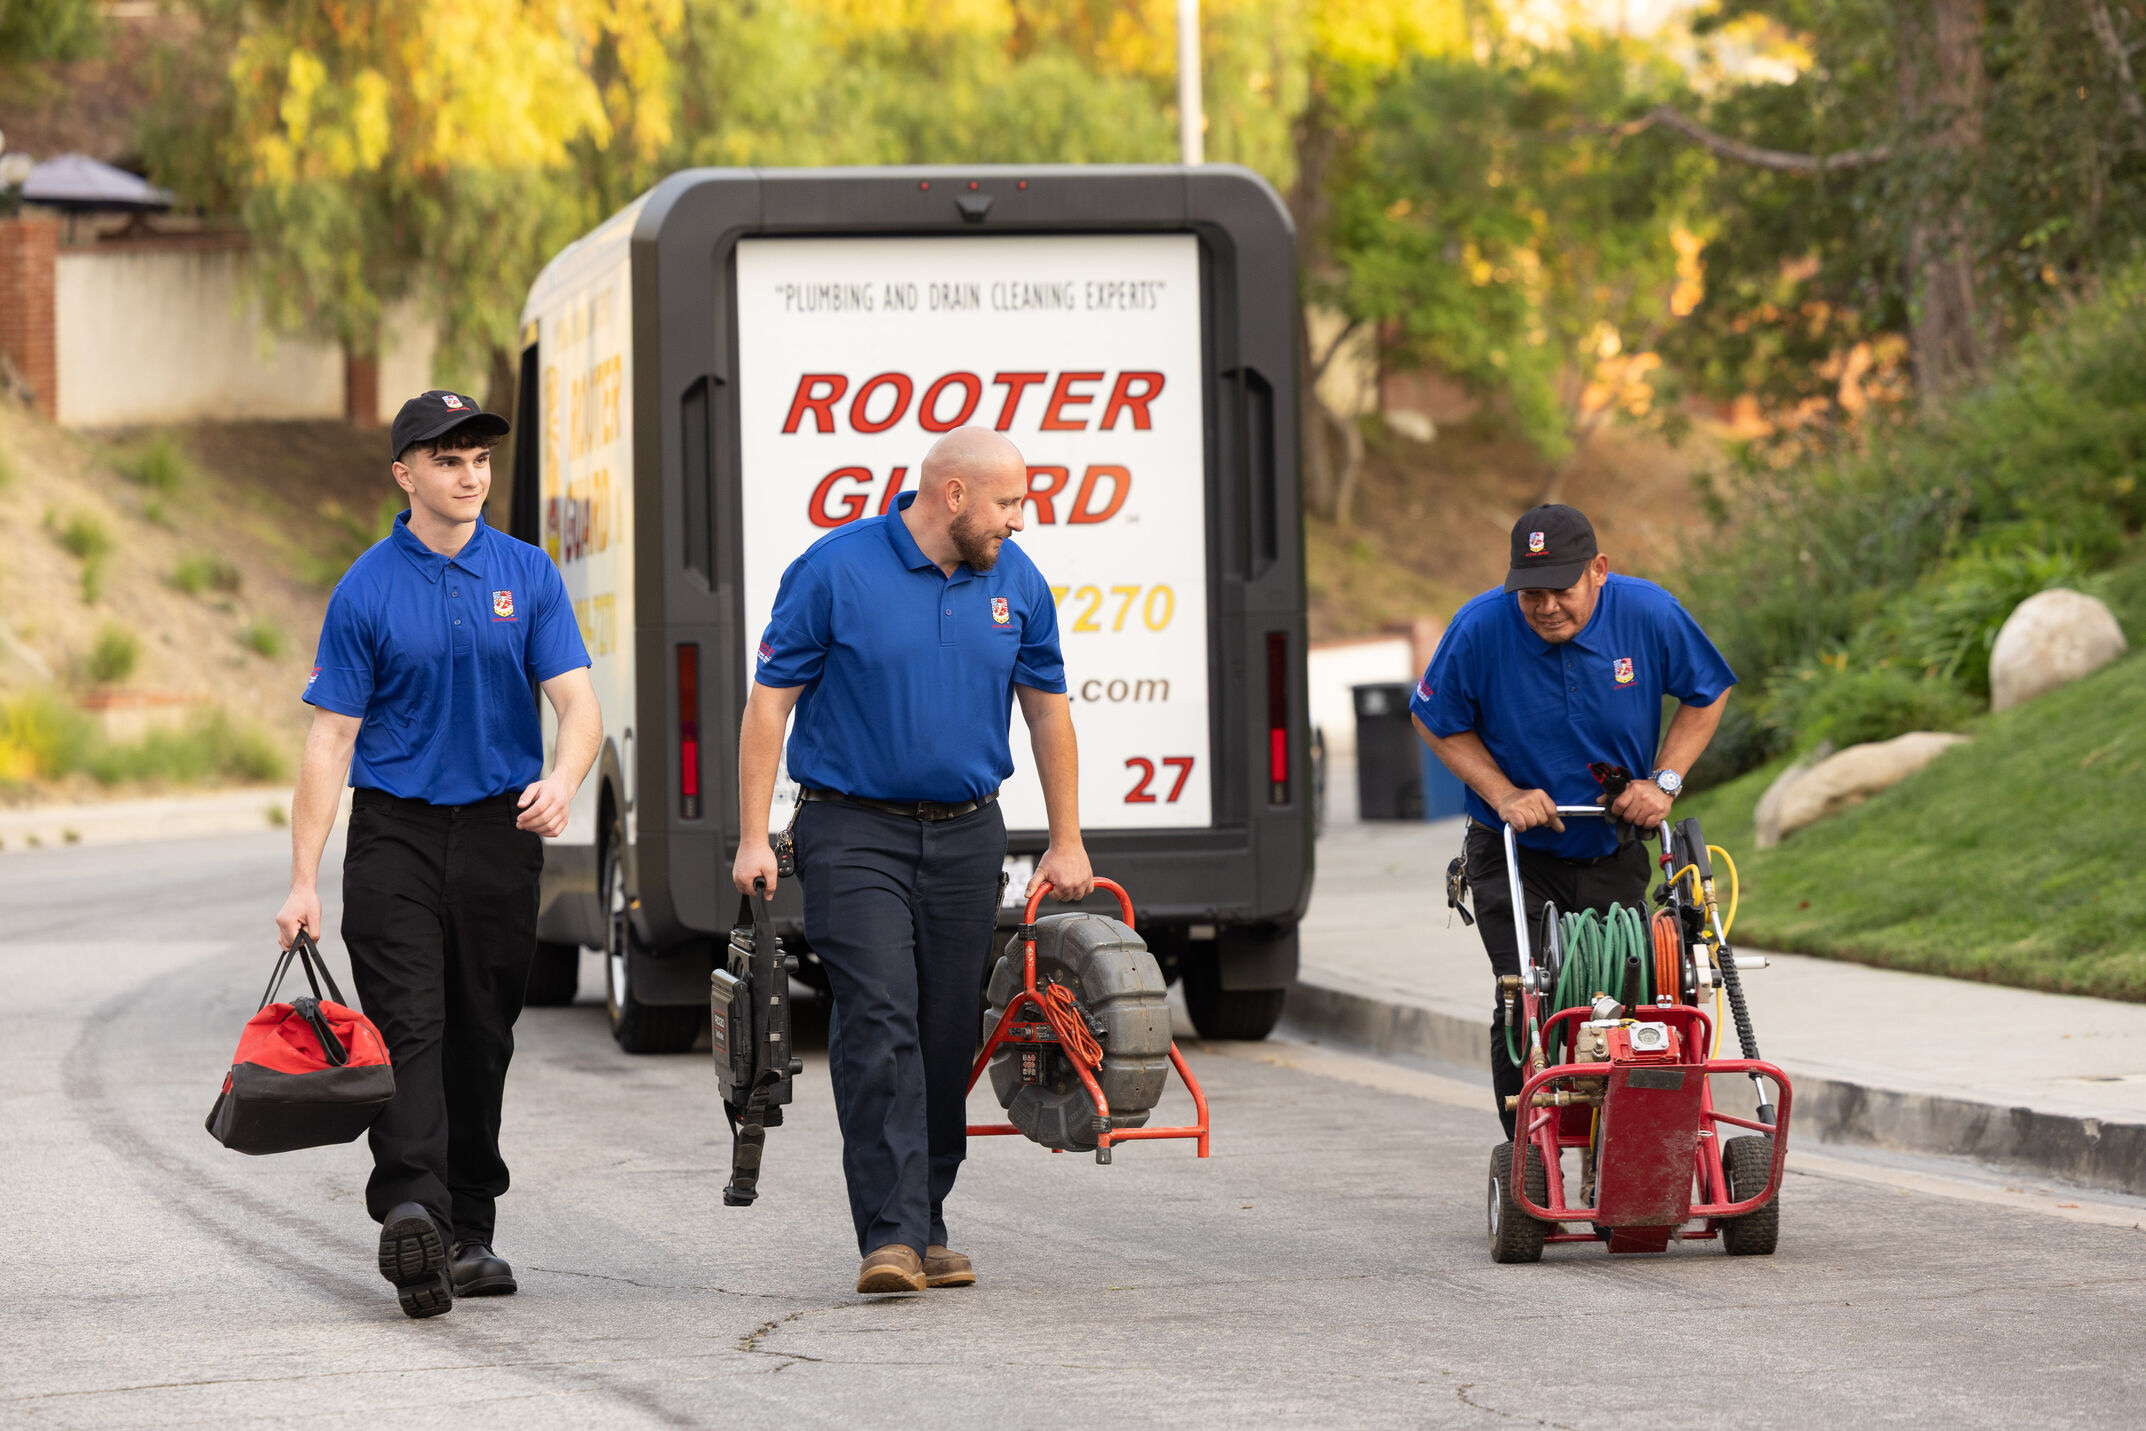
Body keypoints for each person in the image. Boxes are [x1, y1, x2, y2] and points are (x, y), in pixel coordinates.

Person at [733, 425, 1093, 1295]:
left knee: (943, 1031)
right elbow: (769, 707)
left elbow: (1047, 713)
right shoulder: (834, 570)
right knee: (879, 1018)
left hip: (969, 832)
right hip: (853, 832)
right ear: (955, 494)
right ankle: (888, 1234)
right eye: (1009, 502)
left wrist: (1067, 835)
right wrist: (753, 834)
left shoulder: (1016, 581)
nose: (1022, 519)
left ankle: (928, 1217)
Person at [274, 390, 600, 1319]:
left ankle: (471, 1228)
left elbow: (578, 707)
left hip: (502, 835)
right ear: (405, 473)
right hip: (396, 837)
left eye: (480, 460)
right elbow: (330, 740)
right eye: (448, 459)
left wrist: (565, 778)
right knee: (410, 1025)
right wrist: (303, 879)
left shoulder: (528, 574)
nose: (469, 476)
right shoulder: (366, 587)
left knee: (482, 1032)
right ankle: (413, 1207)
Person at [1412, 504, 1735, 1136]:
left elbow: (1707, 691)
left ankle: (1616, 1148)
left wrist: (1662, 781)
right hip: (1513, 852)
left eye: (1561, 589)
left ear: (1599, 571)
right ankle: (1530, 1149)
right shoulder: (1479, 628)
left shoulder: (1648, 613)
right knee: (1527, 996)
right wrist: (1504, 793)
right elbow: (1434, 717)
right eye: (1531, 593)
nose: (1546, 606)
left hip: (1611, 847)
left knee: (1620, 998)